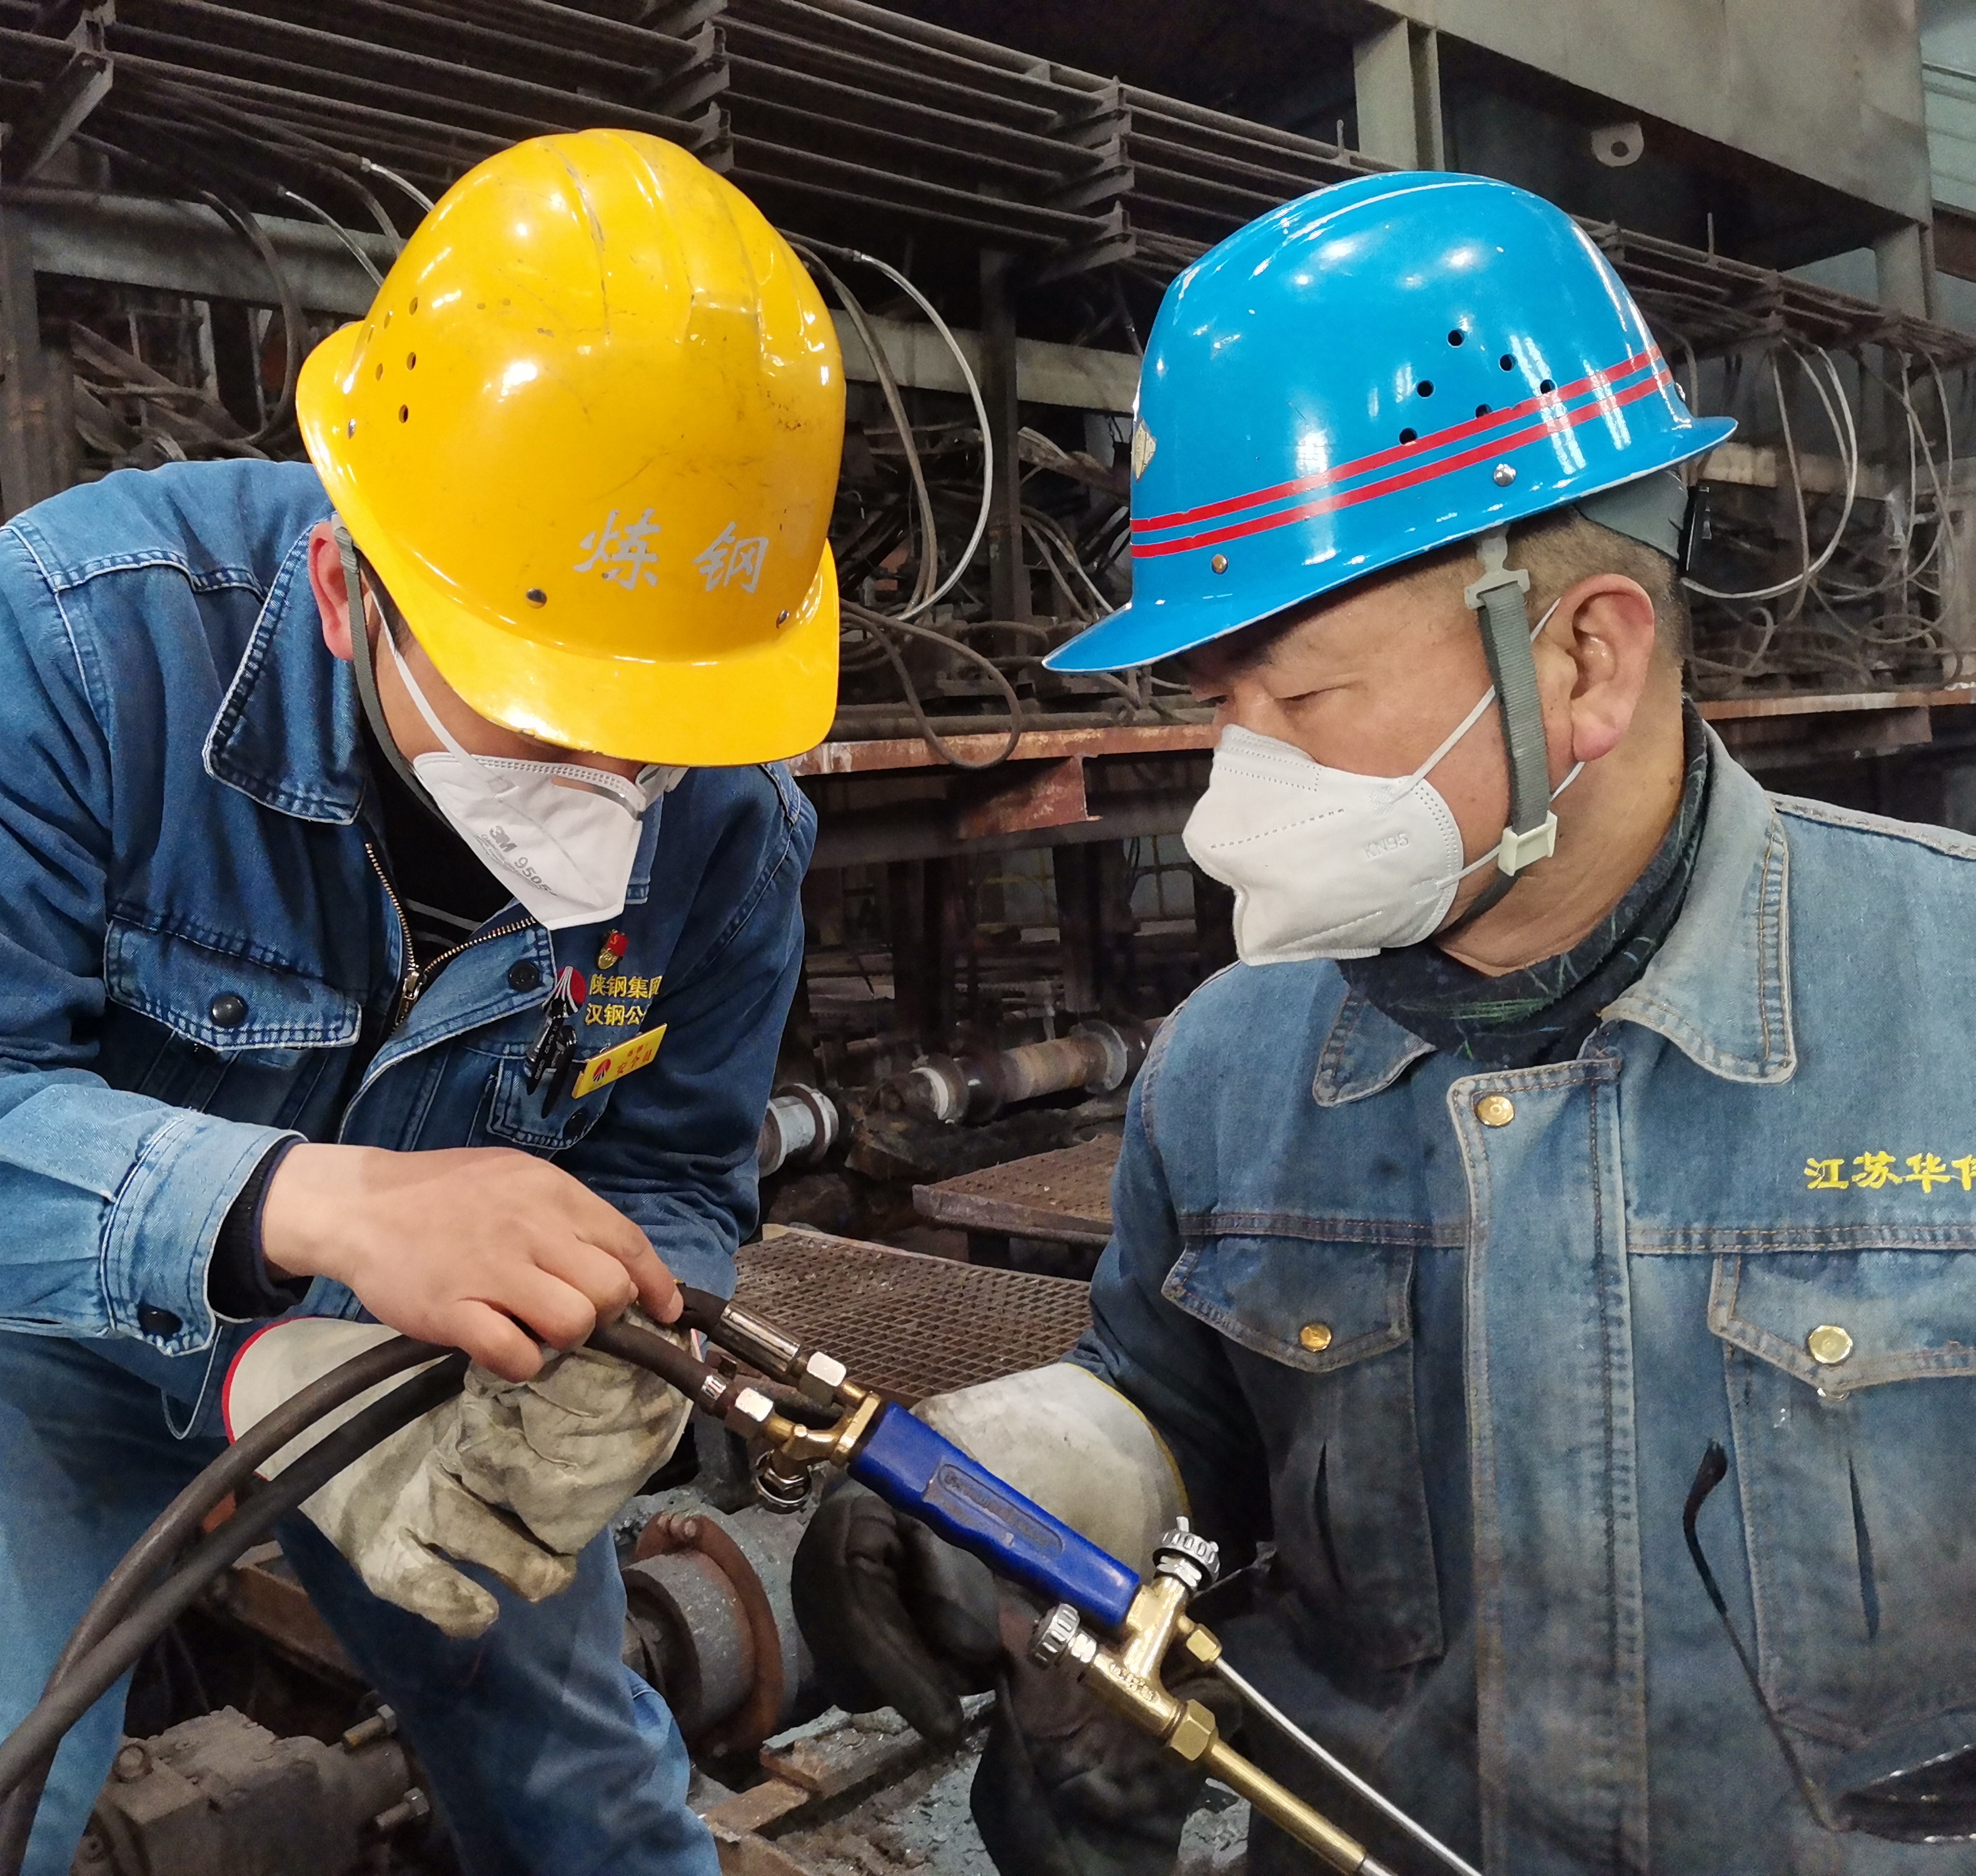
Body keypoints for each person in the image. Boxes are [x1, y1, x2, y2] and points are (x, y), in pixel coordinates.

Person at [793, 169, 1976, 1876]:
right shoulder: (1230, 1072)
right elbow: (1188, 1431)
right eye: (1222, 709)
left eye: (1305, 698)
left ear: (1584, 660)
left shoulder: (1945, 1007)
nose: (1233, 791)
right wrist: (1032, 1474)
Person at [0, 128, 844, 1876]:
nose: (620, 784)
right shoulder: (84, 639)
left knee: (594, 1811)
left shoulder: (729, 814)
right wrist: (310, 1204)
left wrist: (619, 1346)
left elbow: (683, 1171)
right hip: (68, 1344)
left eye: (665, 727)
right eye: (553, 725)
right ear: (349, 593)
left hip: (423, 1383)